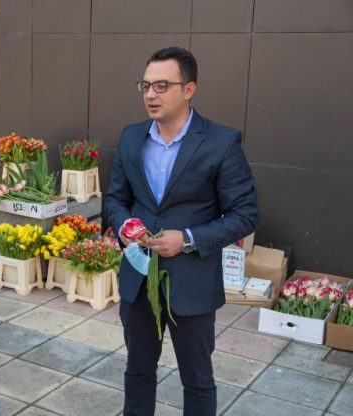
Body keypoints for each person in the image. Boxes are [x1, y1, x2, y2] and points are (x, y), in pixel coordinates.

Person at [103, 47, 258, 416]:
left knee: (197, 379)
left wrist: (187, 239)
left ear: (189, 90)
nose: (150, 95)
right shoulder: (131, 137)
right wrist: (124, 225)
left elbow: (244, 214)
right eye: (145, 86)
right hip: (139, 278)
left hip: (192, 284)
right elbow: (115, 199)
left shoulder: (221, 142)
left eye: (162, 86)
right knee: (138, 370)